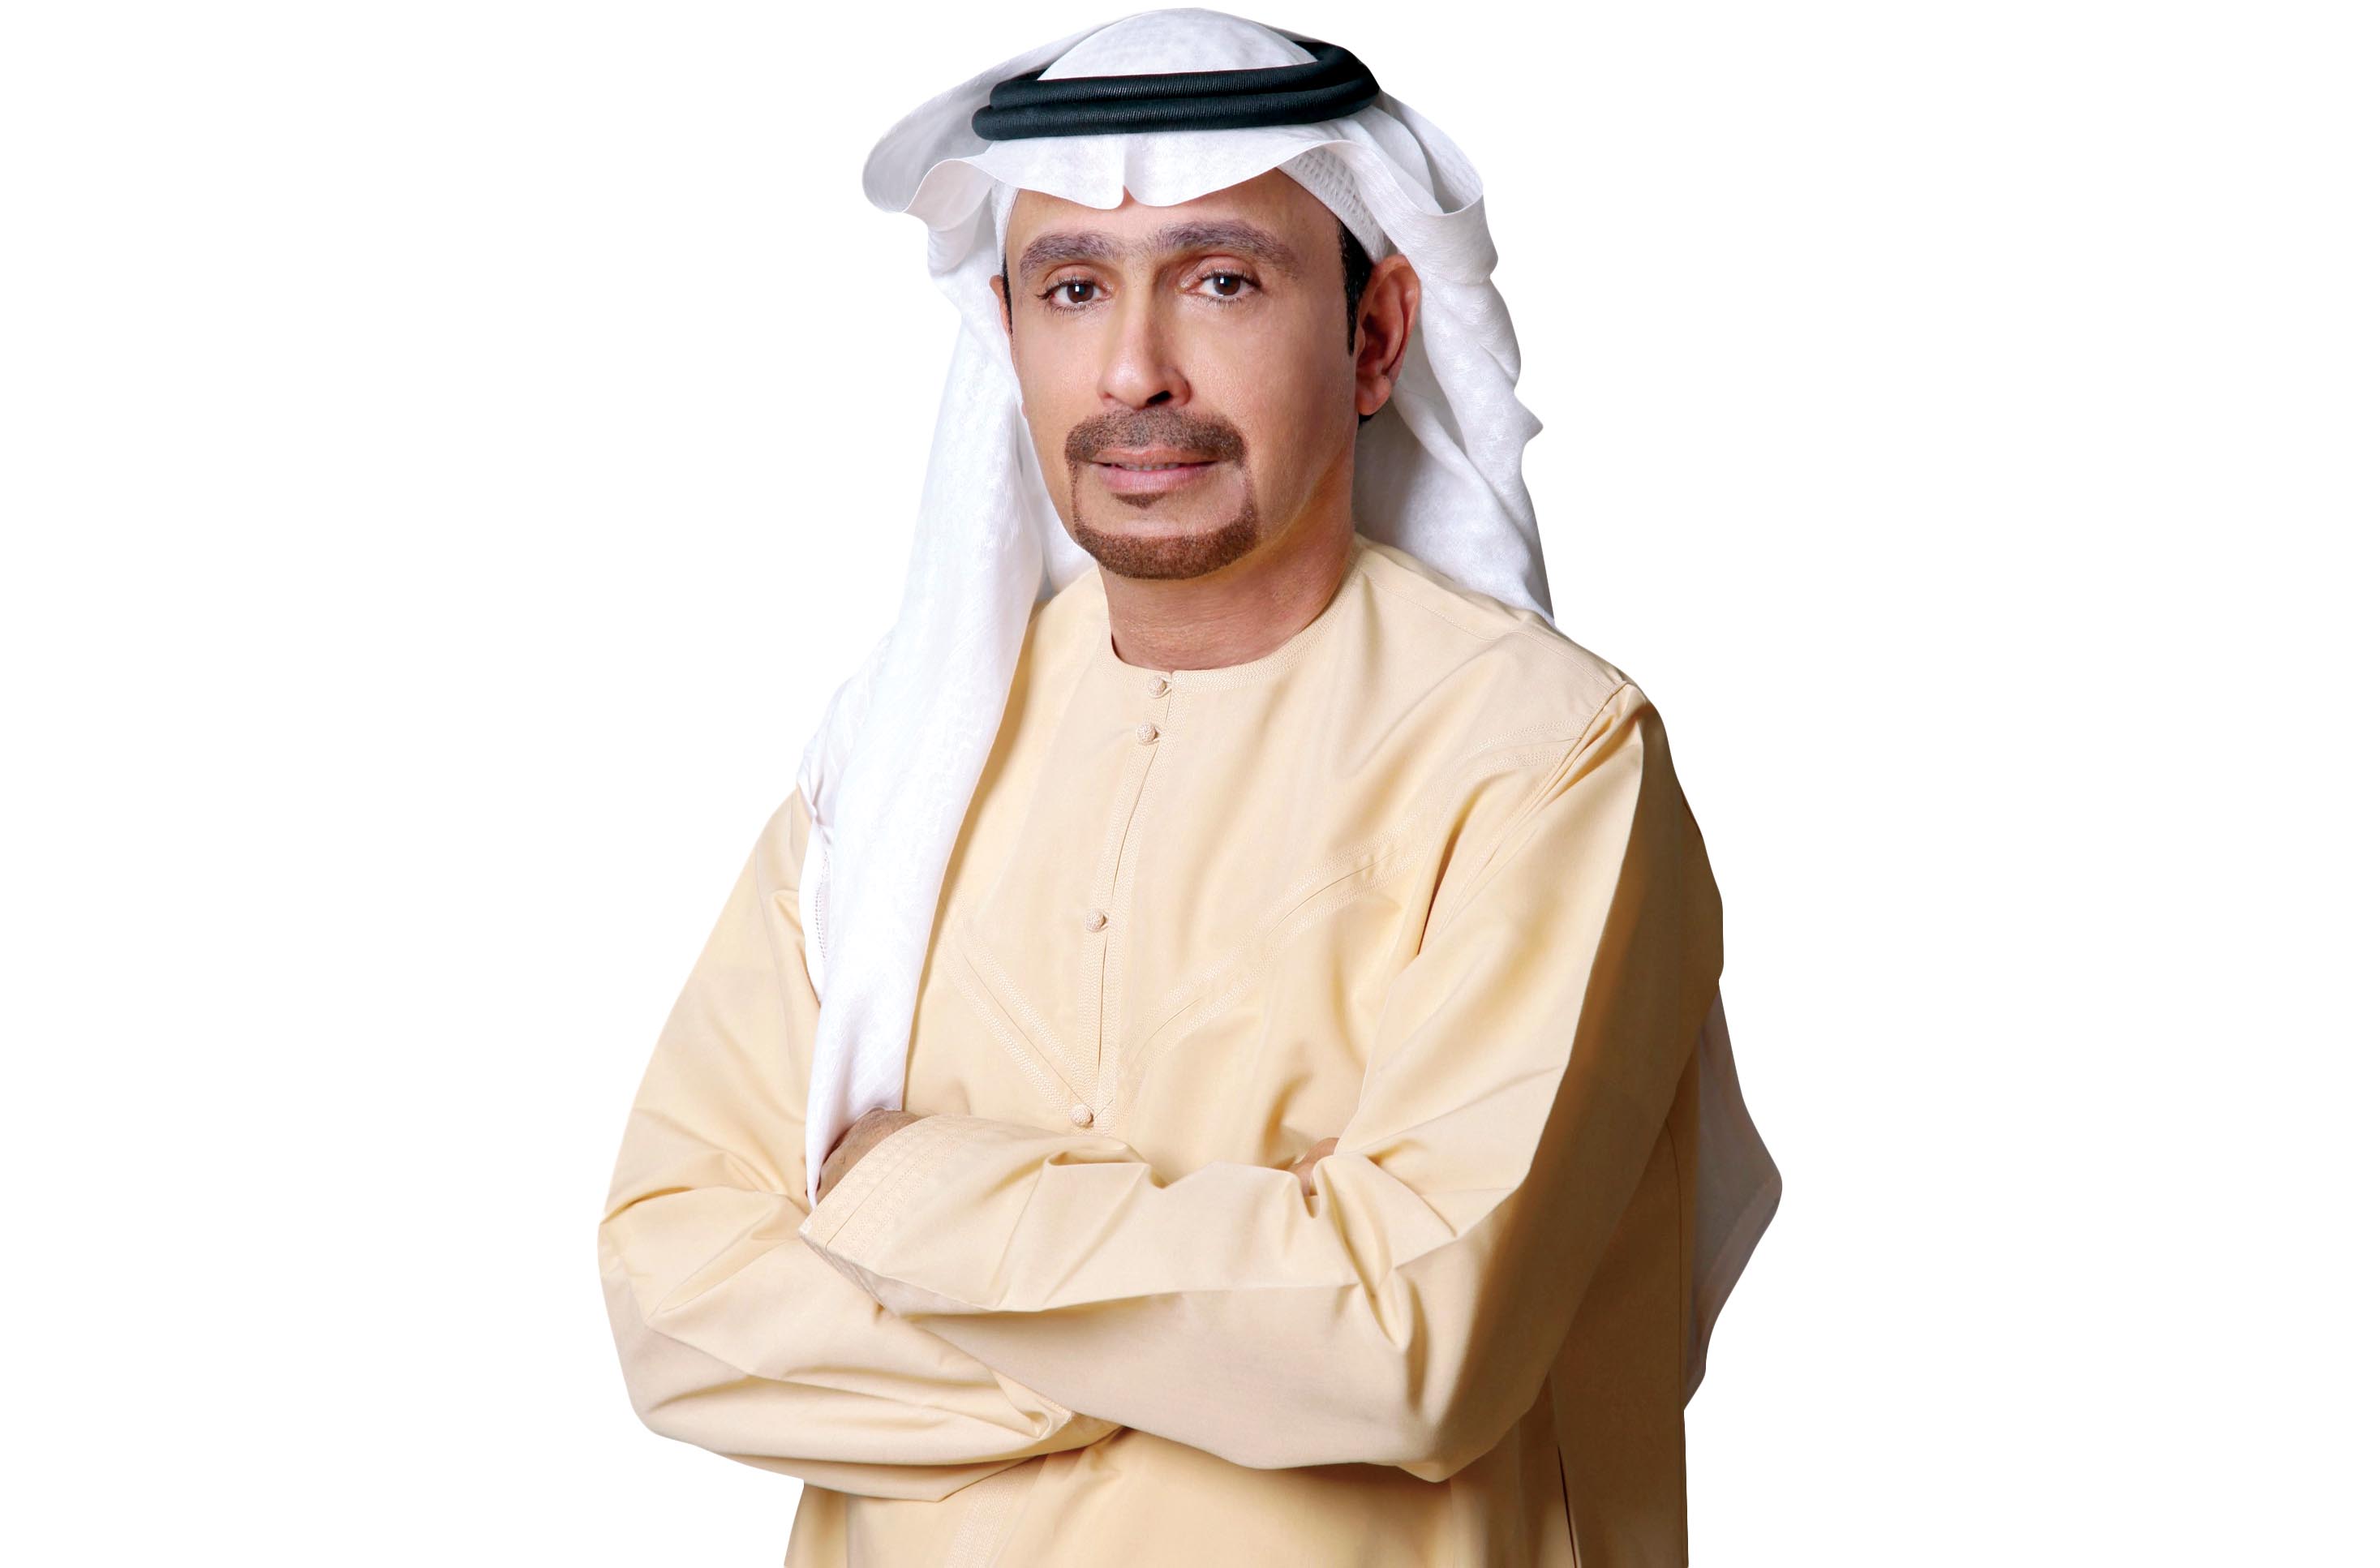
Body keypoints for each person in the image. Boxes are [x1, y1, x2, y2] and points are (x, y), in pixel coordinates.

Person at [595, 11, 1781, 1565]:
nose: (1133, 370)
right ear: (1007, 330)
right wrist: (1225, 1334)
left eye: (1221, 280)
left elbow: (1409, 1341)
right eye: (1072, 288)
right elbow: (675, 1297)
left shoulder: (1544, 758)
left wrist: (893, 1204)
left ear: (1374, 337)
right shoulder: (889, 758)